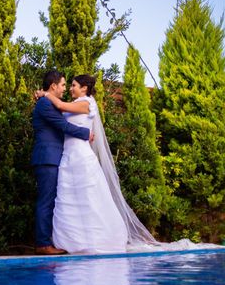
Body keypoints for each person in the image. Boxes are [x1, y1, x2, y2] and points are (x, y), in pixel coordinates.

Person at [42, 74, 161, 254]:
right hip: (67, 157)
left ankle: (98, 240)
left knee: (89, 198)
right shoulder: (76, 104)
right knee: (71, 199)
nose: (70, 88)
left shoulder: (87, 103)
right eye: (69, 85)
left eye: (73, 85)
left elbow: (60, 105)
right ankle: (74, 241)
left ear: (84, 88)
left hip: (81, 157)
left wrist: (43, 93)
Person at [32, 70, 92, 255]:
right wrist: (85, 134)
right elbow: (63, 125)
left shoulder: (47, 101)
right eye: (63, 85)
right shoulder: (44, 104)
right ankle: (42, 244)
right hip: (47, 158)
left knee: (51, 200)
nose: (65, 88)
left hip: (52, 157)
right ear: (53, 86)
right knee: (46, 201)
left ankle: (48, 240)